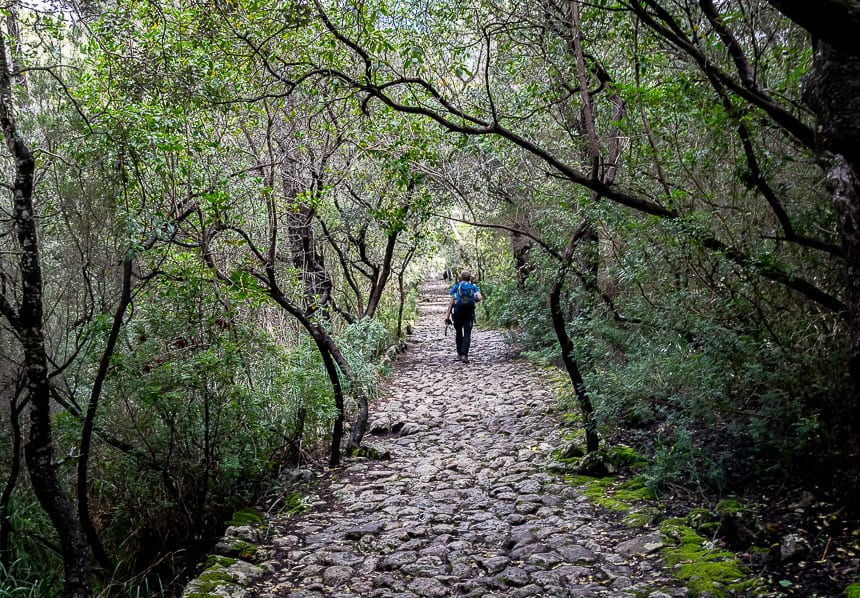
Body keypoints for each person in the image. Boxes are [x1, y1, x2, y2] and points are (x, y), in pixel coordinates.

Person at [445, 270, 483, 363]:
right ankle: (465, 355)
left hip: (457, 313)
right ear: (469, 278)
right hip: (469, 314)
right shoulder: (473, 287)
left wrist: (447, 316)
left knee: (458, 332)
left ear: (461, 278)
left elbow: (451, 302)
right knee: (467, 334)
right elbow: (480, 297)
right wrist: (472, 299)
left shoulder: (457, 287)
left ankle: (459, 353)